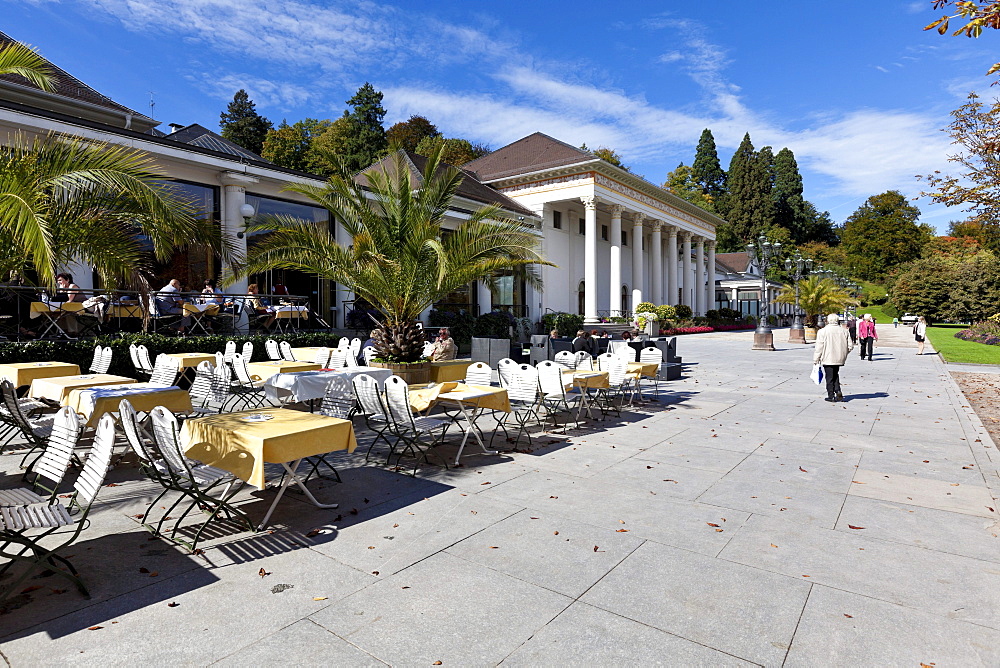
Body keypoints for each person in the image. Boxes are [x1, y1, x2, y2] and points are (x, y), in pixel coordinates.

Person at [814, 312, 853, 403]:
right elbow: (850, 346)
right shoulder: (844, 331)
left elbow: (819, 347)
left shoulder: (822, 331)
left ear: (827, 320)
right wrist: (844, 353)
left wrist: (816, 359)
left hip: (827, 357)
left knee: (829, 377)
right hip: (839, 357)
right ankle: (838, 390)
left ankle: (831, 395)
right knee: (835, 374)